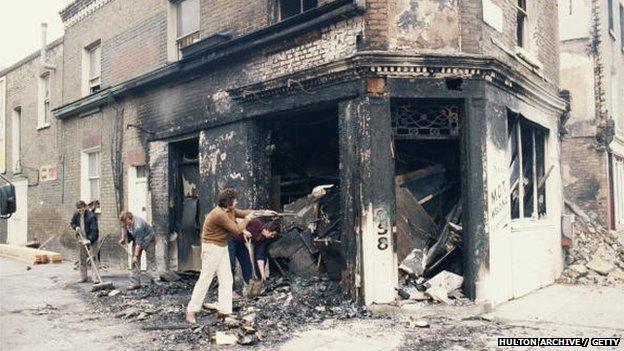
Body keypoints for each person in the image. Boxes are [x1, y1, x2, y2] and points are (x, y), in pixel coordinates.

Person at [185, 188, 276, 324]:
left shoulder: (230, 210)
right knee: (205, 279)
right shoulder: (218, 214)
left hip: (222, 246)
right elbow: (237, 229)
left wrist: (263, 212)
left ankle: (224, 311)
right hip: (211, 247)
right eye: (235, 200)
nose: (237, 201)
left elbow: (244, 212)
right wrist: (248, 219)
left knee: (227, 279)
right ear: (229, 202)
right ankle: (191, 311)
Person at [229, 219, 280, 289]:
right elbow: (237, 219)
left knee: (246, 263)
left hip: (239, 243)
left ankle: (250, 287)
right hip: (229, 238)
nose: (272, 236)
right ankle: (231, 291)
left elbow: (260, 257)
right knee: (231, 264)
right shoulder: (256, 223)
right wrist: (244, 231)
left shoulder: (262, 240)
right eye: (272, 234)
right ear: (267, 229)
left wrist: (263, 276)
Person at [118, 211, 156, 289]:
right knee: (134, 262)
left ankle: (151, 282)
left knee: (150, 260)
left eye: (126, 222)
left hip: (149, 238)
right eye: (124, 222)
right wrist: (123, 238)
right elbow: (123, 227)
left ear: (130, 219)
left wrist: (135, 255)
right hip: (138, 239)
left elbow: (139, 243)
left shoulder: (139, 225)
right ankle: (135, 283)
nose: (125, 224)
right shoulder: (126, 222)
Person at [70, 200, 100, 283]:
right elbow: (72, 222)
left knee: (93, 258)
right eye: (79, 210)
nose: (81, 212)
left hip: (92, 239)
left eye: (82, 210)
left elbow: (95, 231)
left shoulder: (91, 216)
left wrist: (89, 240)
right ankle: (83, 277)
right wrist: (75, 227)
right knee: (82, 258)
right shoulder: (76, 215)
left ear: (85, 207)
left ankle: (95, 278)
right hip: (81, 238)